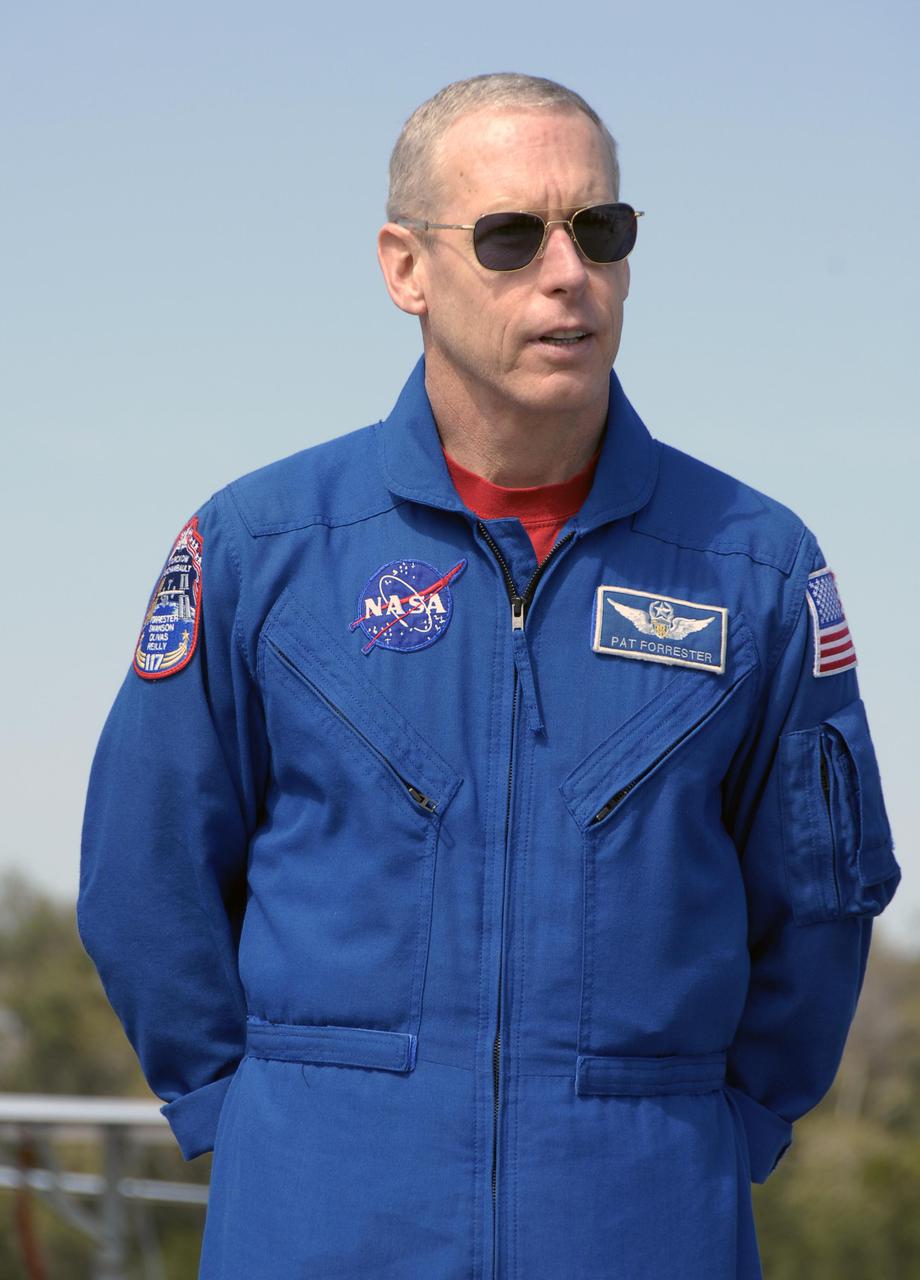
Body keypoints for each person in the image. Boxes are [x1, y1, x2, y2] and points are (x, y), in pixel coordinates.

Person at [78, 72, 901, 1279]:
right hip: (318, 1212)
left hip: (641, 1214)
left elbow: (817, 909)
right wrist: (248, 1114)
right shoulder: (259, 549)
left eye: (599, 231)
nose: (567, 273)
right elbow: (145, 876)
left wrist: (721, 1129)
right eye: (511, 236)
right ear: (404, 268)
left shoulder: (755, 567)